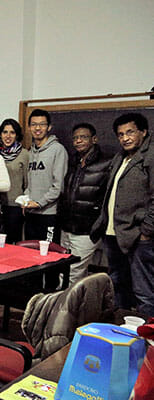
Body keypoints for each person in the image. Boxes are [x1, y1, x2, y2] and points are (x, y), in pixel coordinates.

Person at [91, 113, 154, 316]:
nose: (125, 138)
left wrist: (146, 231)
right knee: (118, 285)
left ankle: (148, 341)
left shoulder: (150, 157)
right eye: (120, 134)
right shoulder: (120, 157)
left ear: (143, 132)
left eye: (130, 132)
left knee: (144, 291)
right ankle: (124, 333)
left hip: (138, 236)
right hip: (114, 233)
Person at [59, 123, 111, 285]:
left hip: (87, 230)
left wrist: (98, 224)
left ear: (94, 139)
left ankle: (63, 308)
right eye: (75, 138)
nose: (78, 141)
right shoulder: (73, 161)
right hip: (66, 226)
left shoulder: (107, 163)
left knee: (74, 273)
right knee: (65, 270)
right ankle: (76, 307)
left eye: (83, 137)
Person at [22, 109, 68, 243]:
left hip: (48, 215)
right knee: (30, 254)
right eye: (34, 124)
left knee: (48, 256)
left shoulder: (58, 150)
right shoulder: (30, 152)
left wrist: (39, 203)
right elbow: (30, 183)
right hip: (31, 214)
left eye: (42, 124)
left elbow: (58, 187)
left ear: (49, 127)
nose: (37, 128)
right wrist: (26, 200)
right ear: (29, 127)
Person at [0, 119, 29, 244]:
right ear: (0, 134)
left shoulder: (25, 154)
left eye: (12, 132)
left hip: (15, 207)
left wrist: (24, 203)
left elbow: (27, 183)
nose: (8, 136)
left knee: (13, 242)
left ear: (17, 135)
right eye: (5, 132)